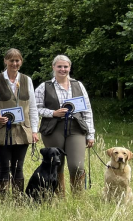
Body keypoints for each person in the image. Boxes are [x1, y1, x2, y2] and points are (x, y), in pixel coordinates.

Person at [0, 48, 39, 198]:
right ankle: (4, 197)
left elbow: (32, 107)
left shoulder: (27, 80)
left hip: (22, 130)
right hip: (1, 131)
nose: (14, 63)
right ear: (5, 61)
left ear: (21, 62)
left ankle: (18, 199)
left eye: (17, 60)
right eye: (11, 60)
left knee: (18, 167)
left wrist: (34, 130)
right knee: (4, 167)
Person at [35, 55, 95, 197]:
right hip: (53, 129)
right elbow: (34, 108)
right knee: (56, 164)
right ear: (53, 67)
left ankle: (77, 198)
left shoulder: (78, 85)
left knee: (77, 166)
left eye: (66, 66)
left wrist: (90, 134)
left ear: (69, 68)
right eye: (59, 66)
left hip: (76, 129)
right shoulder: (45, 86)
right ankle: (58, 197)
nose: (63, 69)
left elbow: (87, 110)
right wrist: (53, 113)